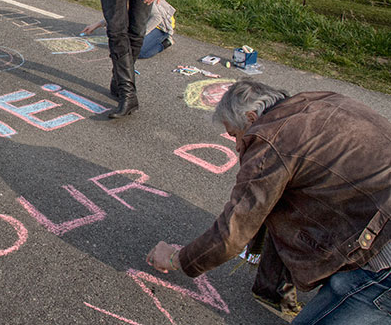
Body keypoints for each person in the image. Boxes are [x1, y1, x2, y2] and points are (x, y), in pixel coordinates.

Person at [146, 79, 391, 324]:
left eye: (235, 134)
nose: (237, 145)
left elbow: (233, 232)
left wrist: (176, 258)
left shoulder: (271, 141)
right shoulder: (319, 100)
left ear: (252, 118)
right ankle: (272, 288)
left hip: (381, 256)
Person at [81, 0, 175, 60]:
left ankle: (165, 42)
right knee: (116, 29)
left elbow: (157, 17)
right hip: (141, 20)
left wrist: (139, 36)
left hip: (161, 25)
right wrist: (97, 25)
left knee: (138, 51)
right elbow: (118, 15)